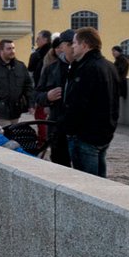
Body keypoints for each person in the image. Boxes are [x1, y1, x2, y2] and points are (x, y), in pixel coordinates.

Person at [61, 26, 119, 177]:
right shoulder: (109, 66)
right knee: (100, 182)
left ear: (84, 45)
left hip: (85, 135)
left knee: (87, 184)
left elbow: (78, 103)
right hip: (103, 134)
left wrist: (69, 129)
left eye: (74, 43)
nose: (72, 46)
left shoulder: (87, 68)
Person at [35, 33, 75, 166]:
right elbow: (37, 95)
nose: (73, 47)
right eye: (69, 44)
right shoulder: (51, 69)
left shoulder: (85, 67)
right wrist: (47, 97)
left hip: (78, 130)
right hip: (57, 126)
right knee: (60, 164)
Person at [0, 38, 34, 126]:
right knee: (5, 135)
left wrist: (30, 104)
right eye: (9, 49)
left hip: (15, 110)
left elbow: (28, 86)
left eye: (13, 48)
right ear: (1, 51)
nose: (12, 51)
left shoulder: (20, 66)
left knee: (13, 135)